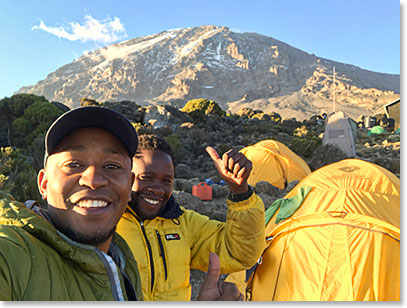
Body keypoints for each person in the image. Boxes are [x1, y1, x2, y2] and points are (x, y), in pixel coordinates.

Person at [0, 106, 241, 301]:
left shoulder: (122, 263)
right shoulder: (14, 255)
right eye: (74, 164)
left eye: (112, 166)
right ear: (43, 183)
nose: (93, 180)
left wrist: (241, 193)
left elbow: (238, 248)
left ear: (128, 185)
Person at [116, 134, 266, 301]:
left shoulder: (184, 224)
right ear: (127, 176)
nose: (157, 189)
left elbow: (239, 253)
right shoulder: (105, 226)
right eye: (146, 177)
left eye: (167, 181)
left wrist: (240, 191)